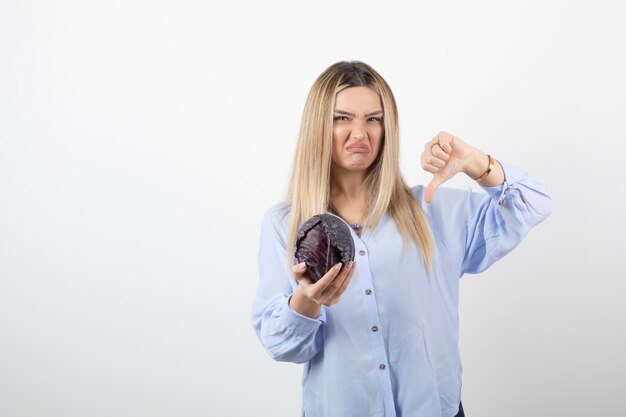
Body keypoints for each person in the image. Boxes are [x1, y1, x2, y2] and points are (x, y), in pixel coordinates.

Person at [251, 61, 552, 417]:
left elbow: (534, 203)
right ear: (318, 126)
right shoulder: (286, 225)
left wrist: (475, 162)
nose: (360, 134)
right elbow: (280, 344)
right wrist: (307, 300)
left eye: (373, 119)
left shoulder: (434, 210)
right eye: (342, 118)